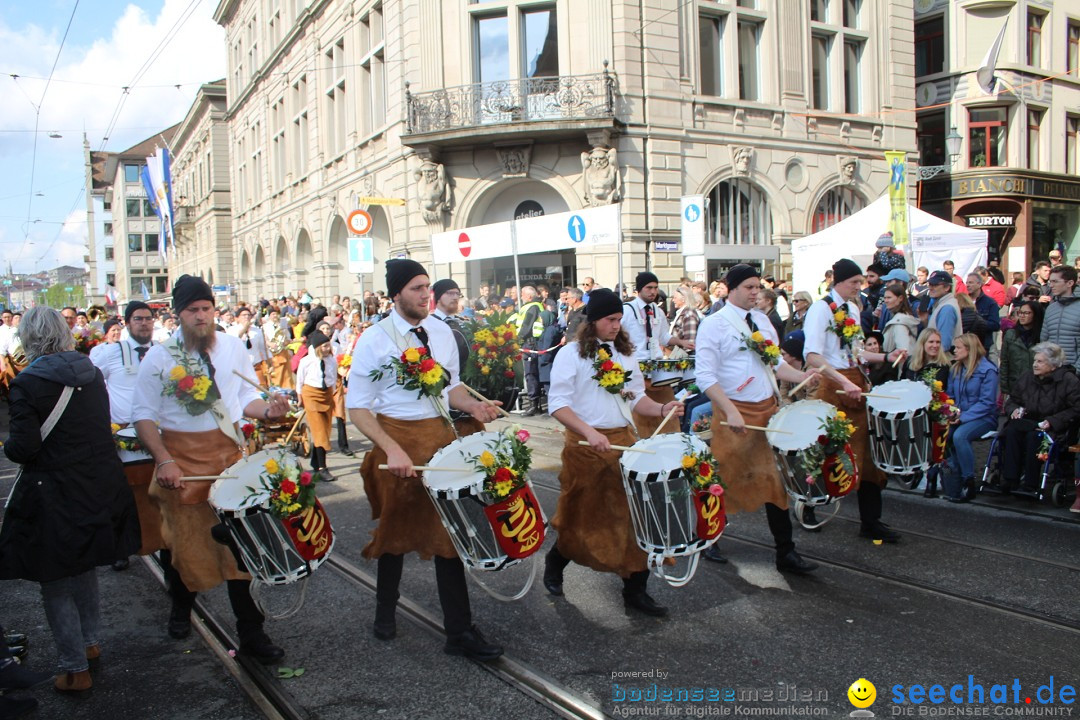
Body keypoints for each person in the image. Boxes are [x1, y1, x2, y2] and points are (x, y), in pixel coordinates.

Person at [347, 259, 503, 660]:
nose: (424, 294)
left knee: (450, 534)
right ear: (396, 293)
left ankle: (459, 632)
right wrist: (391, 448)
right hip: (394, 437)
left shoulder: (440, 332)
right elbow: (359, 408)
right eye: (416, 287)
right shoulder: (374, 339)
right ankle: (385, 611)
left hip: (438, 436)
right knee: (395, 534)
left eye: (426, 286)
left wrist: (475, 407)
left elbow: (450, 390)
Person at [132, 275, 291, 665]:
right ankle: (180, 608)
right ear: (179, 314)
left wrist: (267, 409)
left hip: (227, 458)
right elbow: (143, 416)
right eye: (193, 310)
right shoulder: (161, 357)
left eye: (206, 309)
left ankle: (252, 635)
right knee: (185, 546)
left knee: (241, 549)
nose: (201, 316)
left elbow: (244, 396)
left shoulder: (233, 347)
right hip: (180, 463)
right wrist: (163, 459)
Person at [0, 306, 140, 695]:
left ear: (28, 338)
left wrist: (9, 446)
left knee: (55, 577)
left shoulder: (28, 382)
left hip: (53, 491)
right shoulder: (90, 373)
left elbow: (25, 448)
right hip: (94, 485)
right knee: (83, 569)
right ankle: (91, 642)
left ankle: (74, 668)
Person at [543, 289, 686, 615]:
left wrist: (664, 407)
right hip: (584, 447)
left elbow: (636, 399)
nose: (616, 325)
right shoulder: (572, 354)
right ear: (593, 321)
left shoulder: (624, 354)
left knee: (635, 517)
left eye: (619, 319)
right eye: (610, 319)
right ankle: (555, 563)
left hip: (623, 444)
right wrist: (590, 432)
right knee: (581, 517)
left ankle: (635, 589)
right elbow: (558, 405)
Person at [694, 265, 819, 572]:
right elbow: (704, 376)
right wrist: (730, 410)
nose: (755, 293)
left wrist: (804, 376)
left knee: (775, 481)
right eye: (749, 287)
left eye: (757, 287)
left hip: (767, 411)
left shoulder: (762, 320)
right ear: (730, 288)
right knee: (724, 479)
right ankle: (709, 539)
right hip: (733, 413)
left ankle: (785, 552)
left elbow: (775, 364)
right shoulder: (715, 325)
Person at [804, 258, 903, 542]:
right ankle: (808, 504)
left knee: (869, 457)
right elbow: (813, 356)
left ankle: (871, 522)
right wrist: (844, 381)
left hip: (855, 386)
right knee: (830, 453)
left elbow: (857, 352)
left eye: (860, 283)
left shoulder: (854, 309)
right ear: (838, 282)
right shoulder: (820, 310)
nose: (859, 287)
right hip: (833, 387)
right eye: (854, 283)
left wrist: (886, 356)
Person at [91, 300, 163, 572]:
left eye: (148, 318)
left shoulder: (163, 351)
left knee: (158, 492)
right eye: (138, 319)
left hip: (158, 434)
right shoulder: (109, 353)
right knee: (124, 496)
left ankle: (164, 545)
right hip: (122, 436)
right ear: (127, 323)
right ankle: (122, 548)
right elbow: (92, 386)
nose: (144, 323)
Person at [1000, 342, 1080, 499]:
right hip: (1028, 422)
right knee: (1010, 431)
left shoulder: (1069, 381)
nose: (1035, 365)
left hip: (1054, 428)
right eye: (1035, 361)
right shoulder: (1027, 377)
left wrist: (1052, 421)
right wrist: (1014, 409)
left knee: (1035, 438)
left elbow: (1076, 409)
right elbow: (1012, 400)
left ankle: (1031, 484)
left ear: (1053, 365)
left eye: (1040, 361)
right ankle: (1010, 479)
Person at [623, 272, 693, 436]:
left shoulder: (658, 311)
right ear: (639, 289)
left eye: (655, 288)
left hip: (658, 371)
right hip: (636, 369)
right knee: (640, 413)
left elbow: (664, 337)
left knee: (667, 412)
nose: (653, 291)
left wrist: (681, 343)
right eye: (649, 288)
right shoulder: (626, 310)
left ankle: (670, 441)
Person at [942, 334, 999, 503]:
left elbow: (987, 402)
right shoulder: (956, 369)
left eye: (958, 347)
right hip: (961, 415)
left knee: (960, 436)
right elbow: (950, 396)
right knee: (944, 434)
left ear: (969, 349)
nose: (954, 350)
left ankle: (969, 481)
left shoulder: (988, 370)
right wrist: (951, 413)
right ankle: (952, 478)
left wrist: (963, 417)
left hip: (984, 417)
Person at [296, 331, 338, 481]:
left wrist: (332, 395)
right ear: (318, 347)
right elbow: (299, 380)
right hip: (311, 394)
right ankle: (323, 468)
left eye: (328, 345)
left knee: (325, 430)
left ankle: (315, 462)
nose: (328, 348)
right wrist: (299, 397)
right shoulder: (306, 361)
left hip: (326, 395)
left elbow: (333, 378)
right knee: (319, 430)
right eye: (325, 346)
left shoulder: (332, 361)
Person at [1000, 300, 1044, 399]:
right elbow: (1004, 362)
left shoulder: (1042, 336)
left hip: (1036, 385)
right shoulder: (1011, 334)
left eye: (1026, 313)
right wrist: (1004, 388)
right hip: (1015, 385)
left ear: (1036, 315)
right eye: (1020, 313)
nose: (1022, 316)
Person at [1040, 265, 1080, 368]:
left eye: (1055, 281)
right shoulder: (1051, 308)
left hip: (1074, 371)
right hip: (1052, 370)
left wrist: (1077, 370)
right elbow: (1044, 340)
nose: (1051, 285)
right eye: (1050, 282)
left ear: (1070, 283)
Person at [516, 286, 546, 416]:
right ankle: (535, 403)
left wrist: (517, 339)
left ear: (529, 296)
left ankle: (533, 404)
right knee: (532, 373)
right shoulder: (534, 306)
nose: (521, 296)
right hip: (530, 343)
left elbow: (526, 327)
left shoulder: (532, 307)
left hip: (529, 343)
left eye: (522, 294)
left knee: (531, 373)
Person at [228, 306, 270, 387]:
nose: (246, 317)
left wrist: (269, 362)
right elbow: (235, 340)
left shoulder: (257, 331)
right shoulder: (232, 330)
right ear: (237, 318)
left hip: (255, 366)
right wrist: (244, 328)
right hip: (240, 369)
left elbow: (263, 348)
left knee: (261, 389)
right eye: (244, 315)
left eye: (248, 315)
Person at [881, 282, 919, 363]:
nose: (886, 301)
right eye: (885, 298)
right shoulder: (901, 319)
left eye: (889, 298)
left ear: (900, 298)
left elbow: (903, 352)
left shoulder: (900, 324)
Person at [926, 270, 962, 350]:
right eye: (930, 284)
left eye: (935, 285)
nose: (930, 288)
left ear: (947, 287)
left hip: (943, 359)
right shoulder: (941, 304)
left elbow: (943, 344)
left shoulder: (947, 308)